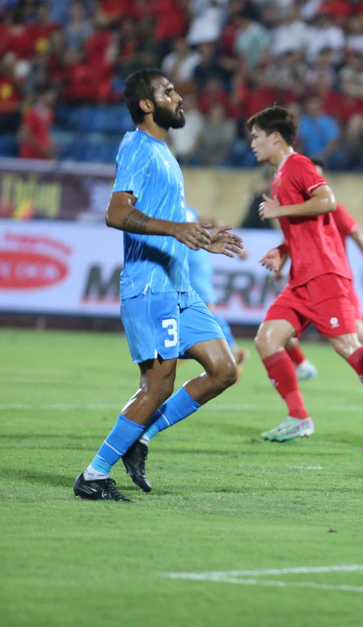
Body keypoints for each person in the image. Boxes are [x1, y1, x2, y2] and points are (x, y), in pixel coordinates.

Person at [73, 69, 243, 502]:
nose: (179, 96)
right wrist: (176, 228)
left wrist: (201, 236)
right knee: (158, 386)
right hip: (151, 288)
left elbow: (169, 224)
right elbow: (115, 213)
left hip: (179, 287)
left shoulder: (165, 153)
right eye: (168, 91)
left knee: (224, 369)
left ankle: (141, 436)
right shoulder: (138, 147)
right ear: (147, 105)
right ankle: (93, 475)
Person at [248, 106, 363, 442]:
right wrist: (282, 252)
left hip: (324, 274)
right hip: (300, 279)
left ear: (275, 137)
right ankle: (298, 417)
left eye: (256, 137)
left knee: (348, 344)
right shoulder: (279, 175)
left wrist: (279, 209)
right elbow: (306, 228)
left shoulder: (298, 164)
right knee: (267, 340)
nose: (252, 144)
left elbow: (327, 201)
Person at [279, 160, 363, 386]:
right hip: (304, 284)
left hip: (335, 284)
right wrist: (280, 263)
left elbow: (359, 236)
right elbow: (289, 241)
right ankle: (302, 366)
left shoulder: (333, 209)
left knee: (359, 337)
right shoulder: (297, 212)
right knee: (275, 331)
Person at [185, 206, 250, 380]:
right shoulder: (189, 211)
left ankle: (234, 350)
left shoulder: (173, 209)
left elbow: (211, 222)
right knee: (191, 310)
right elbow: (213, 220)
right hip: (195, 262)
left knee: (207, 311)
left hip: (192, 263)